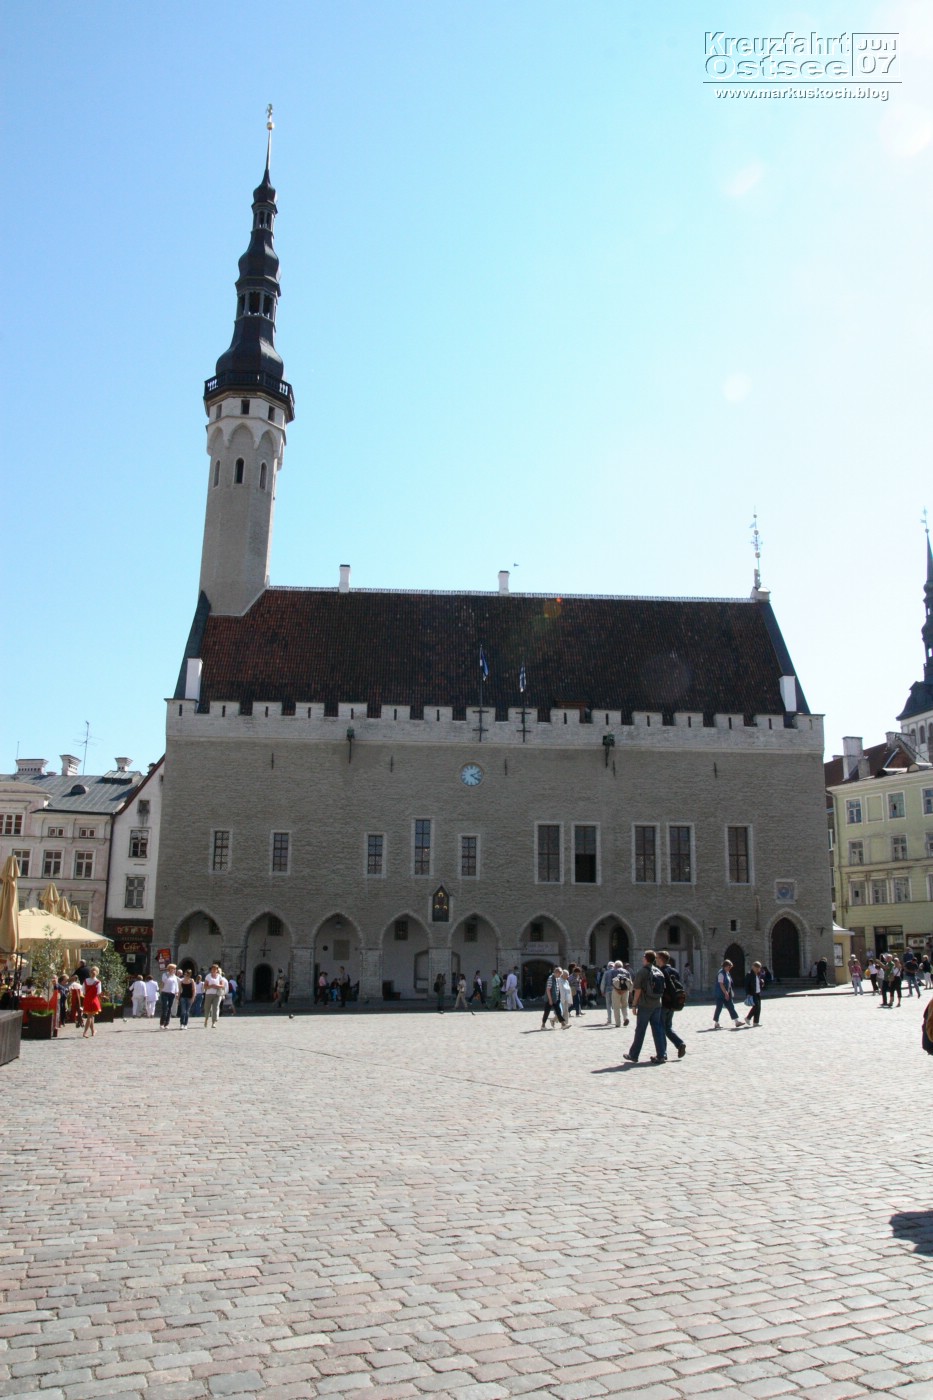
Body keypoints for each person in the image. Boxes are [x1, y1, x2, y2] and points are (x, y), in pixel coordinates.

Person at [623, 950, 668, 1063]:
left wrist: (634, 1005)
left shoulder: (642, 971)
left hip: (645, 1005)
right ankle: (661, 1055)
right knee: (657, 1029)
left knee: (640, 1030)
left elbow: (637, 990)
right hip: (657, 1004)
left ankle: (634, 1055)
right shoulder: (658, 971)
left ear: (646, 958)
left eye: (644, 957)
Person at [657, 951, 687, 1056]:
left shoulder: (661, 971)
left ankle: (663, 1053)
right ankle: (680, 1043)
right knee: (668, 1027)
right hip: (673, 1002)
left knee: (661, 1027)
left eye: (657, 958)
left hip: (664, 1003)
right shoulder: (675, 971)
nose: (656, 960)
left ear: (661, 959)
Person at [713, 959, 741, 1028]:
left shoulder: (727, 973)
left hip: (727, 993)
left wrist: (729, 992)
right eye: (729, 967)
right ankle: (716, 1023)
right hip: (720, 994)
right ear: (725, 966)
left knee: (731, 1007)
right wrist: (725, 993)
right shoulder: (721, 973)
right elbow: (721, 984)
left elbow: (729, 983)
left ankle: (737, 1022)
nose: (730, 968)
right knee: (719, 1008)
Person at [82, 966, 103, 1038]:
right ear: (97, 973)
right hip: (94, 1000)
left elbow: (83, 991)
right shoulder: (98, 982)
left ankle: (93, 1030)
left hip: (87, 1000)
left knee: (91, 1016)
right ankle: (85, 1032)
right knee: (90, 1016)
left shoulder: (86, 980)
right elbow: (99, 992)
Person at [743, 960, 766, 1026]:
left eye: (759, 968)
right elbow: (746, 985)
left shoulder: (758, 974)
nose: (758, 969)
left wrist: (761, 982)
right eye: (757, 968)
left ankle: (756, 1022)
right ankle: (748, 1018)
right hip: (752, 993)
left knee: (758, 1008)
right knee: (756, 1007)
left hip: (758, 992)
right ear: (753, 967)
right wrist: (748, 994)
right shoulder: (749, 974)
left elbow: (757, 982)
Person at [610, 961, 631, 1029]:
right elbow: (630, 982)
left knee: (616, 1007)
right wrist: (624, 990)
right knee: (625, 1005)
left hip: (616, 991)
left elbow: (611, 982)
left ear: (615, 966)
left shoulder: (613, 971)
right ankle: (626, 1018)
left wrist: (617, 990)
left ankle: (618, 1023)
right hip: (625, 991)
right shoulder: (627, 972)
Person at [159, 964, 179, 1029]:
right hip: (165, 993)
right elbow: (164, 981)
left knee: (169, 1008)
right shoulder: (165, 975)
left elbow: (176, 985)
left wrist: (177, 992)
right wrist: (169, 975)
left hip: (172, 994)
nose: (174, 970)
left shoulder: (175, 977)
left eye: (175, 969)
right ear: (169, 969)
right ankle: (162, 1023)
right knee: (165, 1008)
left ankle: (166, 1024)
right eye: (173, 969)